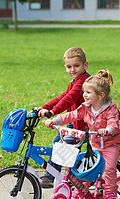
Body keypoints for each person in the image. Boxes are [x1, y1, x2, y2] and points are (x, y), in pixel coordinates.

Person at [44, 70, 120, 199]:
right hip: (95, 145)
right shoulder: (85, 108)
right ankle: (81, 192)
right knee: (85, 169)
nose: (84, 95)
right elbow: (71, 116)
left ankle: (110, 193)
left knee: (109, 168)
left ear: (101, 95)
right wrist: (55, 121)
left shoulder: (110, 108)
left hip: (111, 145)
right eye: (84, 92)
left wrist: (108, 130)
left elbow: (113, 123)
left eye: (88, 92)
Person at [38, 47, 90, 188]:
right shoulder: (75, 81)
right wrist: (45, 107)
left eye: (76, 66)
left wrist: (52, 113)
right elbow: (62, 96)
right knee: (59, 143)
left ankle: (53, 177)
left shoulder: (83, 82)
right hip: (74, 123)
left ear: (85, 65)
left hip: (84, 125)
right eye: (69, 66)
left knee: (62, 146)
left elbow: (70, 99)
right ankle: (56, 176)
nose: (72, 69)